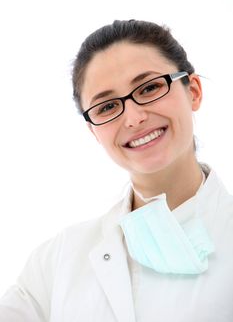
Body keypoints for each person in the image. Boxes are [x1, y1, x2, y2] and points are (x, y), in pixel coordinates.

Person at [1, 19, 233, 322]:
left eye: (150, 87)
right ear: (93, 131)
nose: (134, 118)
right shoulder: (57, 261)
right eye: (107, 107)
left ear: (194, 91)